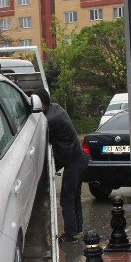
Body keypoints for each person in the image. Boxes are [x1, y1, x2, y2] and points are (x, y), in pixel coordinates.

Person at [35, 88, 88, 243]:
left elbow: (43, 142)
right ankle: (77, 228)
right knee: (74, 196)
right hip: (78, 159)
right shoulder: (55, 108)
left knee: (66, 199)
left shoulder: (50, 121)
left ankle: (71, 234)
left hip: (74, 161)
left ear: (42, 104)